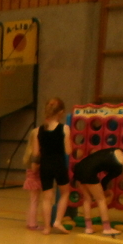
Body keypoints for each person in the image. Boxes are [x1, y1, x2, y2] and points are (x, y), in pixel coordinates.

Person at [73, 146, 123, 235]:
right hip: (89, 172)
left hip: (79, 167)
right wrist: (107, 193)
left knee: (87, 199)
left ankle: (88, 228)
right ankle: (106, 228)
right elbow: (105, 181)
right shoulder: (119, 168)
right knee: (101, 200)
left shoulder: (119, 151)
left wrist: (104, 190)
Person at [36, 98, 72, 234]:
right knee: (65, 192)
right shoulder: (64, 128)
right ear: (61, 112)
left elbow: (38, 151)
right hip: (58, 163)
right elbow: (68, 150)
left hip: (44, 165)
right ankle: (57, 221)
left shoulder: (40, 129)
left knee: (46, 198)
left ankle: (46, 227)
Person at [23, 127, 42, 229]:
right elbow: (34, 168)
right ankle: (32, 224)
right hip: (34, 179)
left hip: (31, 179)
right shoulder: (35, 154)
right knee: (34, 202)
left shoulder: (29, 152)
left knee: (32, 201)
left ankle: (30, 222)